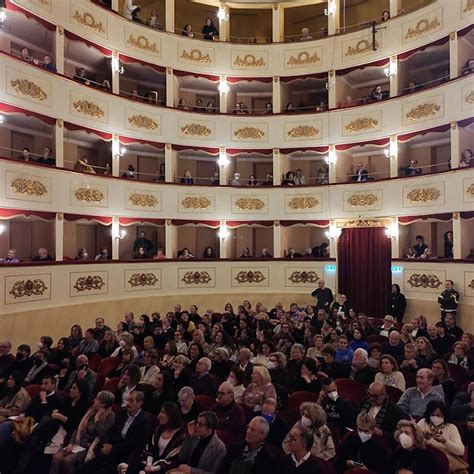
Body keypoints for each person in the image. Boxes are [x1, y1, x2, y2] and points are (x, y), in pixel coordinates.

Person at [79, 391, 151, 474]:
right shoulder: (122, 413)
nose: (128, 403)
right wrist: (107, 445)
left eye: (131, 401)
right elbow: (112, 431)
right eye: (128, 400)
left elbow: (134, 443)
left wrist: (113, 448)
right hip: (112, 449)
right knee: (84, 468)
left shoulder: (144, 420)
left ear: (140, 403)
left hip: (126, 455)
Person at [50, 390, 115, 474]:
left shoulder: (110, 415)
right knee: (56, 458)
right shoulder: (91, 410)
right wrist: (71, 443)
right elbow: (78, 429)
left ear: (103, 404)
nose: (94, 400)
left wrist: (97, 421)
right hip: (77, 442)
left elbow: (102, 434)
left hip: (89, 447)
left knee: (67, 461)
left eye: (97, 399)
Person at [417, 400, 468, 472]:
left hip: (446, 463)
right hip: (425, 461)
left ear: (444, 415)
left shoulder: (451, 427)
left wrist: (445, 441)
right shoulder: (423, 423)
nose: (435, 418)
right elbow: (414, 442)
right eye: (432, 415)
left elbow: (461, 451)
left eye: (438, 415)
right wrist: (424, 439)